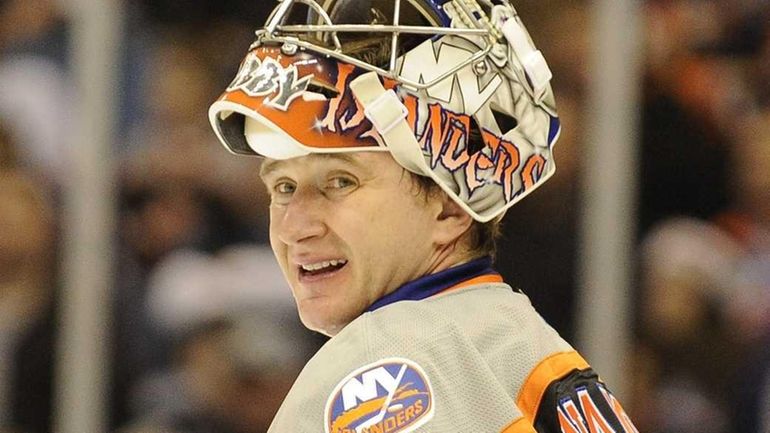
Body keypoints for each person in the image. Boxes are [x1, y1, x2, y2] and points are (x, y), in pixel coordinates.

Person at [207, 1, 639, 432]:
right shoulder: (517, 342)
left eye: (340, 182)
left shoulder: (383, 366)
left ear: (451, 205)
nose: (295, 227)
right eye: (283, 187)